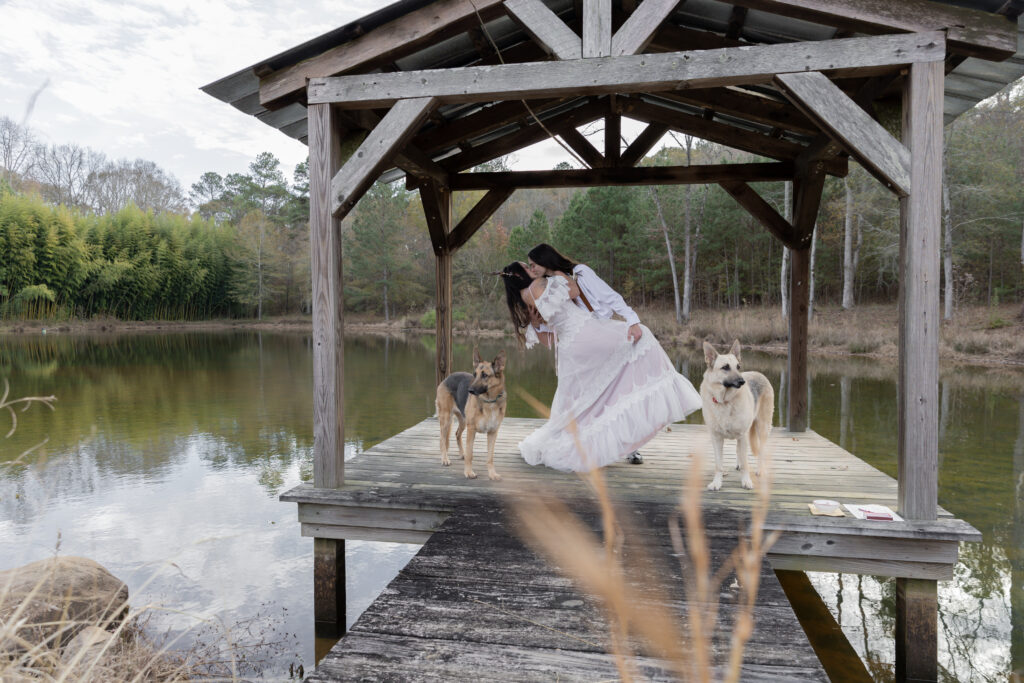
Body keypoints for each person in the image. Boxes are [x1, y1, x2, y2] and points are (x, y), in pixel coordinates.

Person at [500, 262, 701, 473]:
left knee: (579, 403)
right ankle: (627, 437)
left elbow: (545, 339)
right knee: (642, 337)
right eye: (526, 266)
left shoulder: (523, 302)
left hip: (570, 351)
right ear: (518, 274)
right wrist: (556, 271)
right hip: (586, 333)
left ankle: (596, 447)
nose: (531, 268)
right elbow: (574, 290)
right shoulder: (539, 285)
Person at [526, 244, 645, 463]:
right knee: (588, 400)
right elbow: (553, 329)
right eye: (529, 265)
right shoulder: (548, 287)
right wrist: (535, 323)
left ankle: (630, 447)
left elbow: (610, 297)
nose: (532, 268)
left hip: (603, 337)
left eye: (534, 264)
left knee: (617, 394)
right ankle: (594, 447)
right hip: (579, 349)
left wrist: (632, 320)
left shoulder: (580, 273)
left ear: (545, 260)